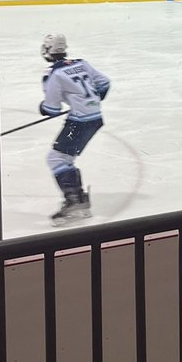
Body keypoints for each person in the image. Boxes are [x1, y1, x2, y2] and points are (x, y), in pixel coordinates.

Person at [39, 33, 110, 222]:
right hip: (95, 119)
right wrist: (91, 102)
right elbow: (104, 83)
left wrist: (43, 108)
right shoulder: (81, 63)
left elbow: (52, 108)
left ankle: (74, 201)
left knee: (56, 159)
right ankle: (79, 200)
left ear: (47, 50)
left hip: (79, 122)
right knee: (65, 158)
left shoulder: (54, 73)